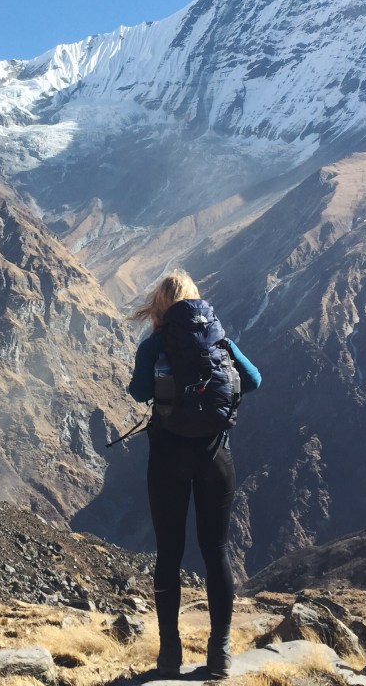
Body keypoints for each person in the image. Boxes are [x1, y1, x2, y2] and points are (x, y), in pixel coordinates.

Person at [128, 269, 261, 679]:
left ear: (160, 306)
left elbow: (138, 391)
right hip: (215, 458)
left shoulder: (154, 345)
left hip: (168, 458)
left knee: (169, 553)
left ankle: (170, 657)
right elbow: (253, 380)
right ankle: (219, 655)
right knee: (215, 551)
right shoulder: (220, 341)